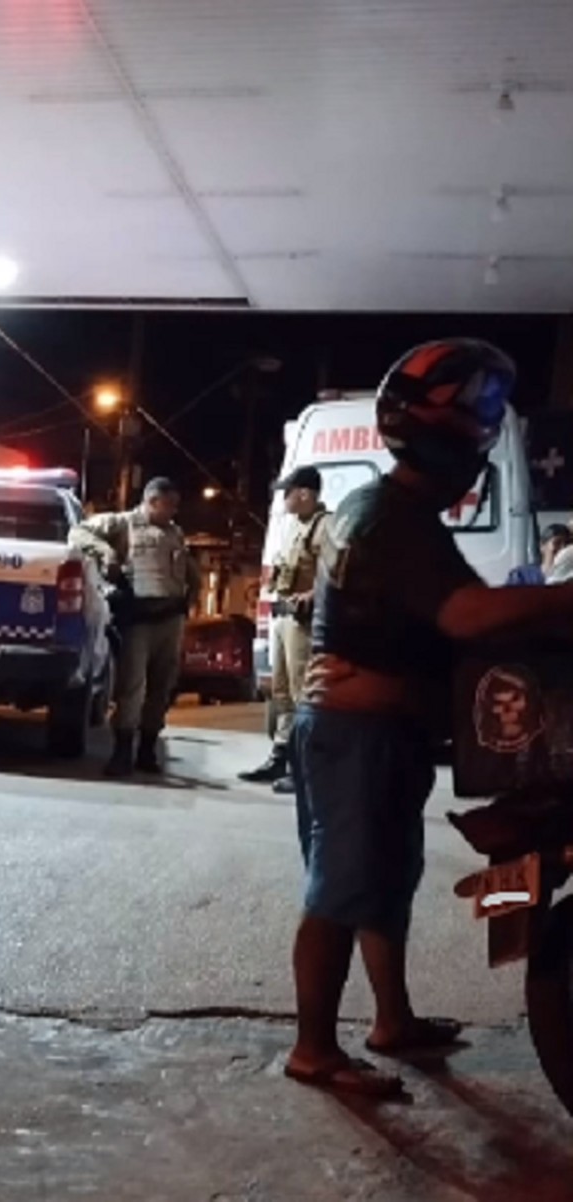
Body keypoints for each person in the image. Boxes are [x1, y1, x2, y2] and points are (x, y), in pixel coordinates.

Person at [286, 339, 573, 1099]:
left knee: (384, 881)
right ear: (448, 445)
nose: (477, 460)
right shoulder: (393, 517)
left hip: (377, 733)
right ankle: (314, 1049)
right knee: (340, 890)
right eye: (473, 443)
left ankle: (393, 1020)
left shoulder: (386, 507)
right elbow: (469, 612)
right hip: (357, 737)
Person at [71, 476, 199, 777]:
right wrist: (107, 553)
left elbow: (188, 571)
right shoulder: (122, 524)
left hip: (170, 619)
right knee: (132, 688)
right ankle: (122, 752)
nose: (173, 511)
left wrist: (192, 594)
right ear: (152, 501)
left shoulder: (175, 532)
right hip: (138, 619)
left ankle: (147, 750)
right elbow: (79, 532)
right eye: (169, 505)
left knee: (162, 688)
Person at [239, 466, 329, 794]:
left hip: (303, 623)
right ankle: (281, 756)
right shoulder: (294, 526)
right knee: (280, 695)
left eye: (288, 492)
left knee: (302, 694)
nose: (284, 499)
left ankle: (304, 767)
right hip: (283, 618)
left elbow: (336, 573)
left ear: (304, 493)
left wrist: (312, 596)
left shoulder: (324, 526)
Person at [504, 524, 570, 586]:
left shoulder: (569, 577)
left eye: (567, 544)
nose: (563, 548)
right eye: (557, 543)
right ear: (542, 546)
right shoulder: (520, 575)